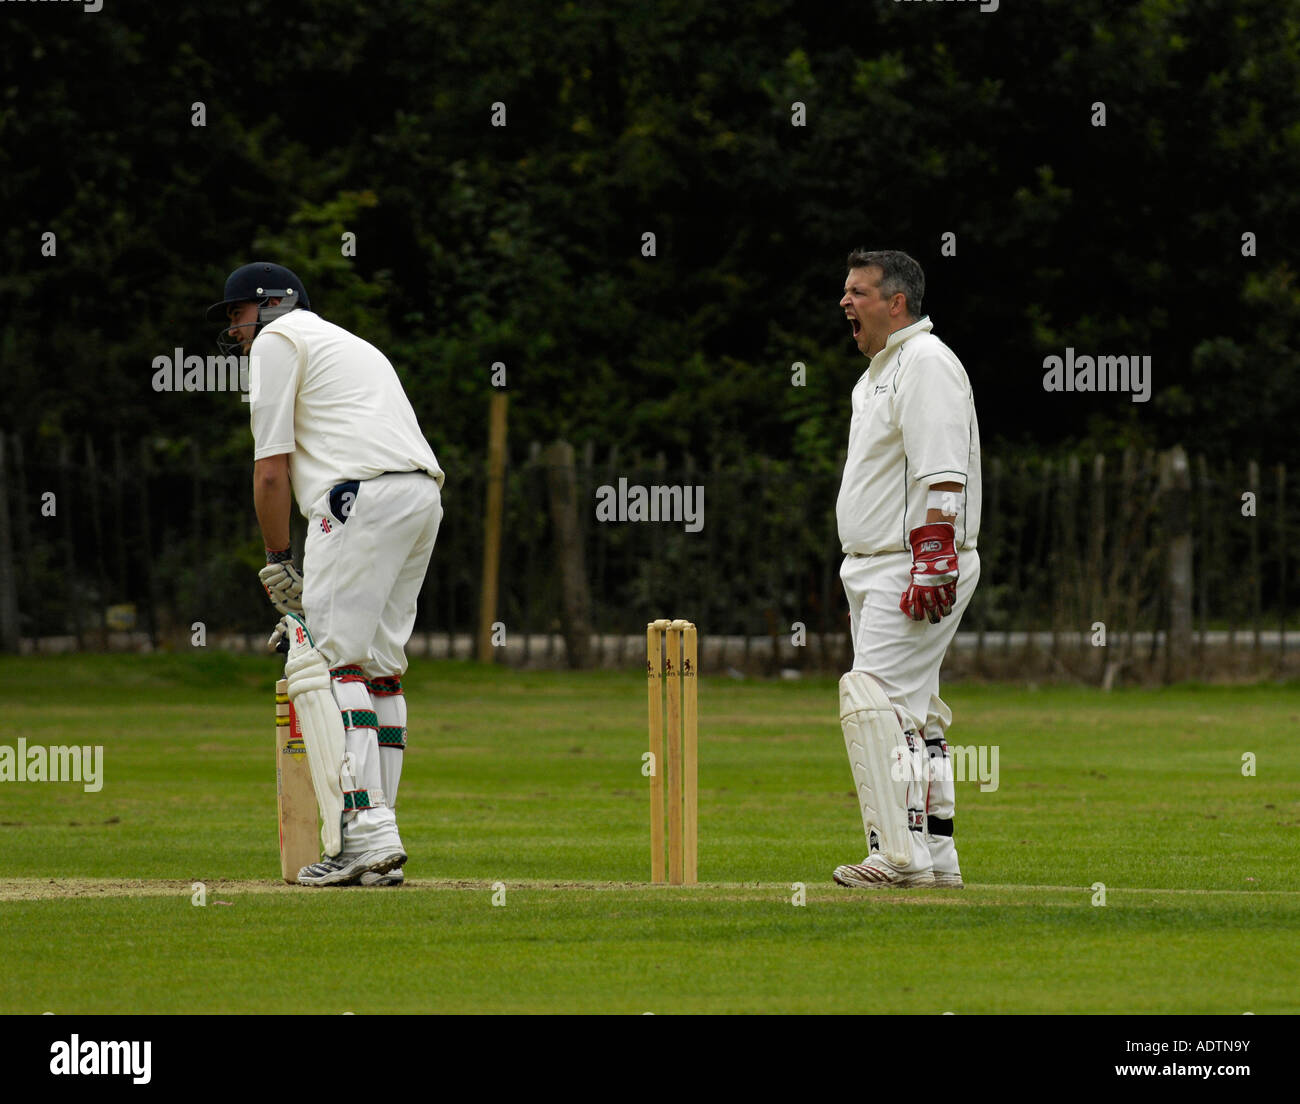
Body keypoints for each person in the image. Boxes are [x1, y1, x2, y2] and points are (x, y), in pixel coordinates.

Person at [207, 261, 444, 887]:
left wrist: (279, 557)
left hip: (356, 498)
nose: (235, 328)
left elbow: (270, 471)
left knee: (330, 665)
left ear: (274, 304)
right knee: (379, 669)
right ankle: (379, 838)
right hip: (420, 498)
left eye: (238, 312)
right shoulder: (347, 340)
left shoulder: (279, 341)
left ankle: (363, 835)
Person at [832, 249, 982, 889]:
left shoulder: (925, 361)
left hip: (909, 564)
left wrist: (934, 557)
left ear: (896, 302)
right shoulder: (877, 375)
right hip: (874, 567)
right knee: (914, 714)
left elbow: (942, 466)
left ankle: (896, 856)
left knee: (874, 704)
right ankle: (935, 856)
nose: (846, 303)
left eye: (858, 292)